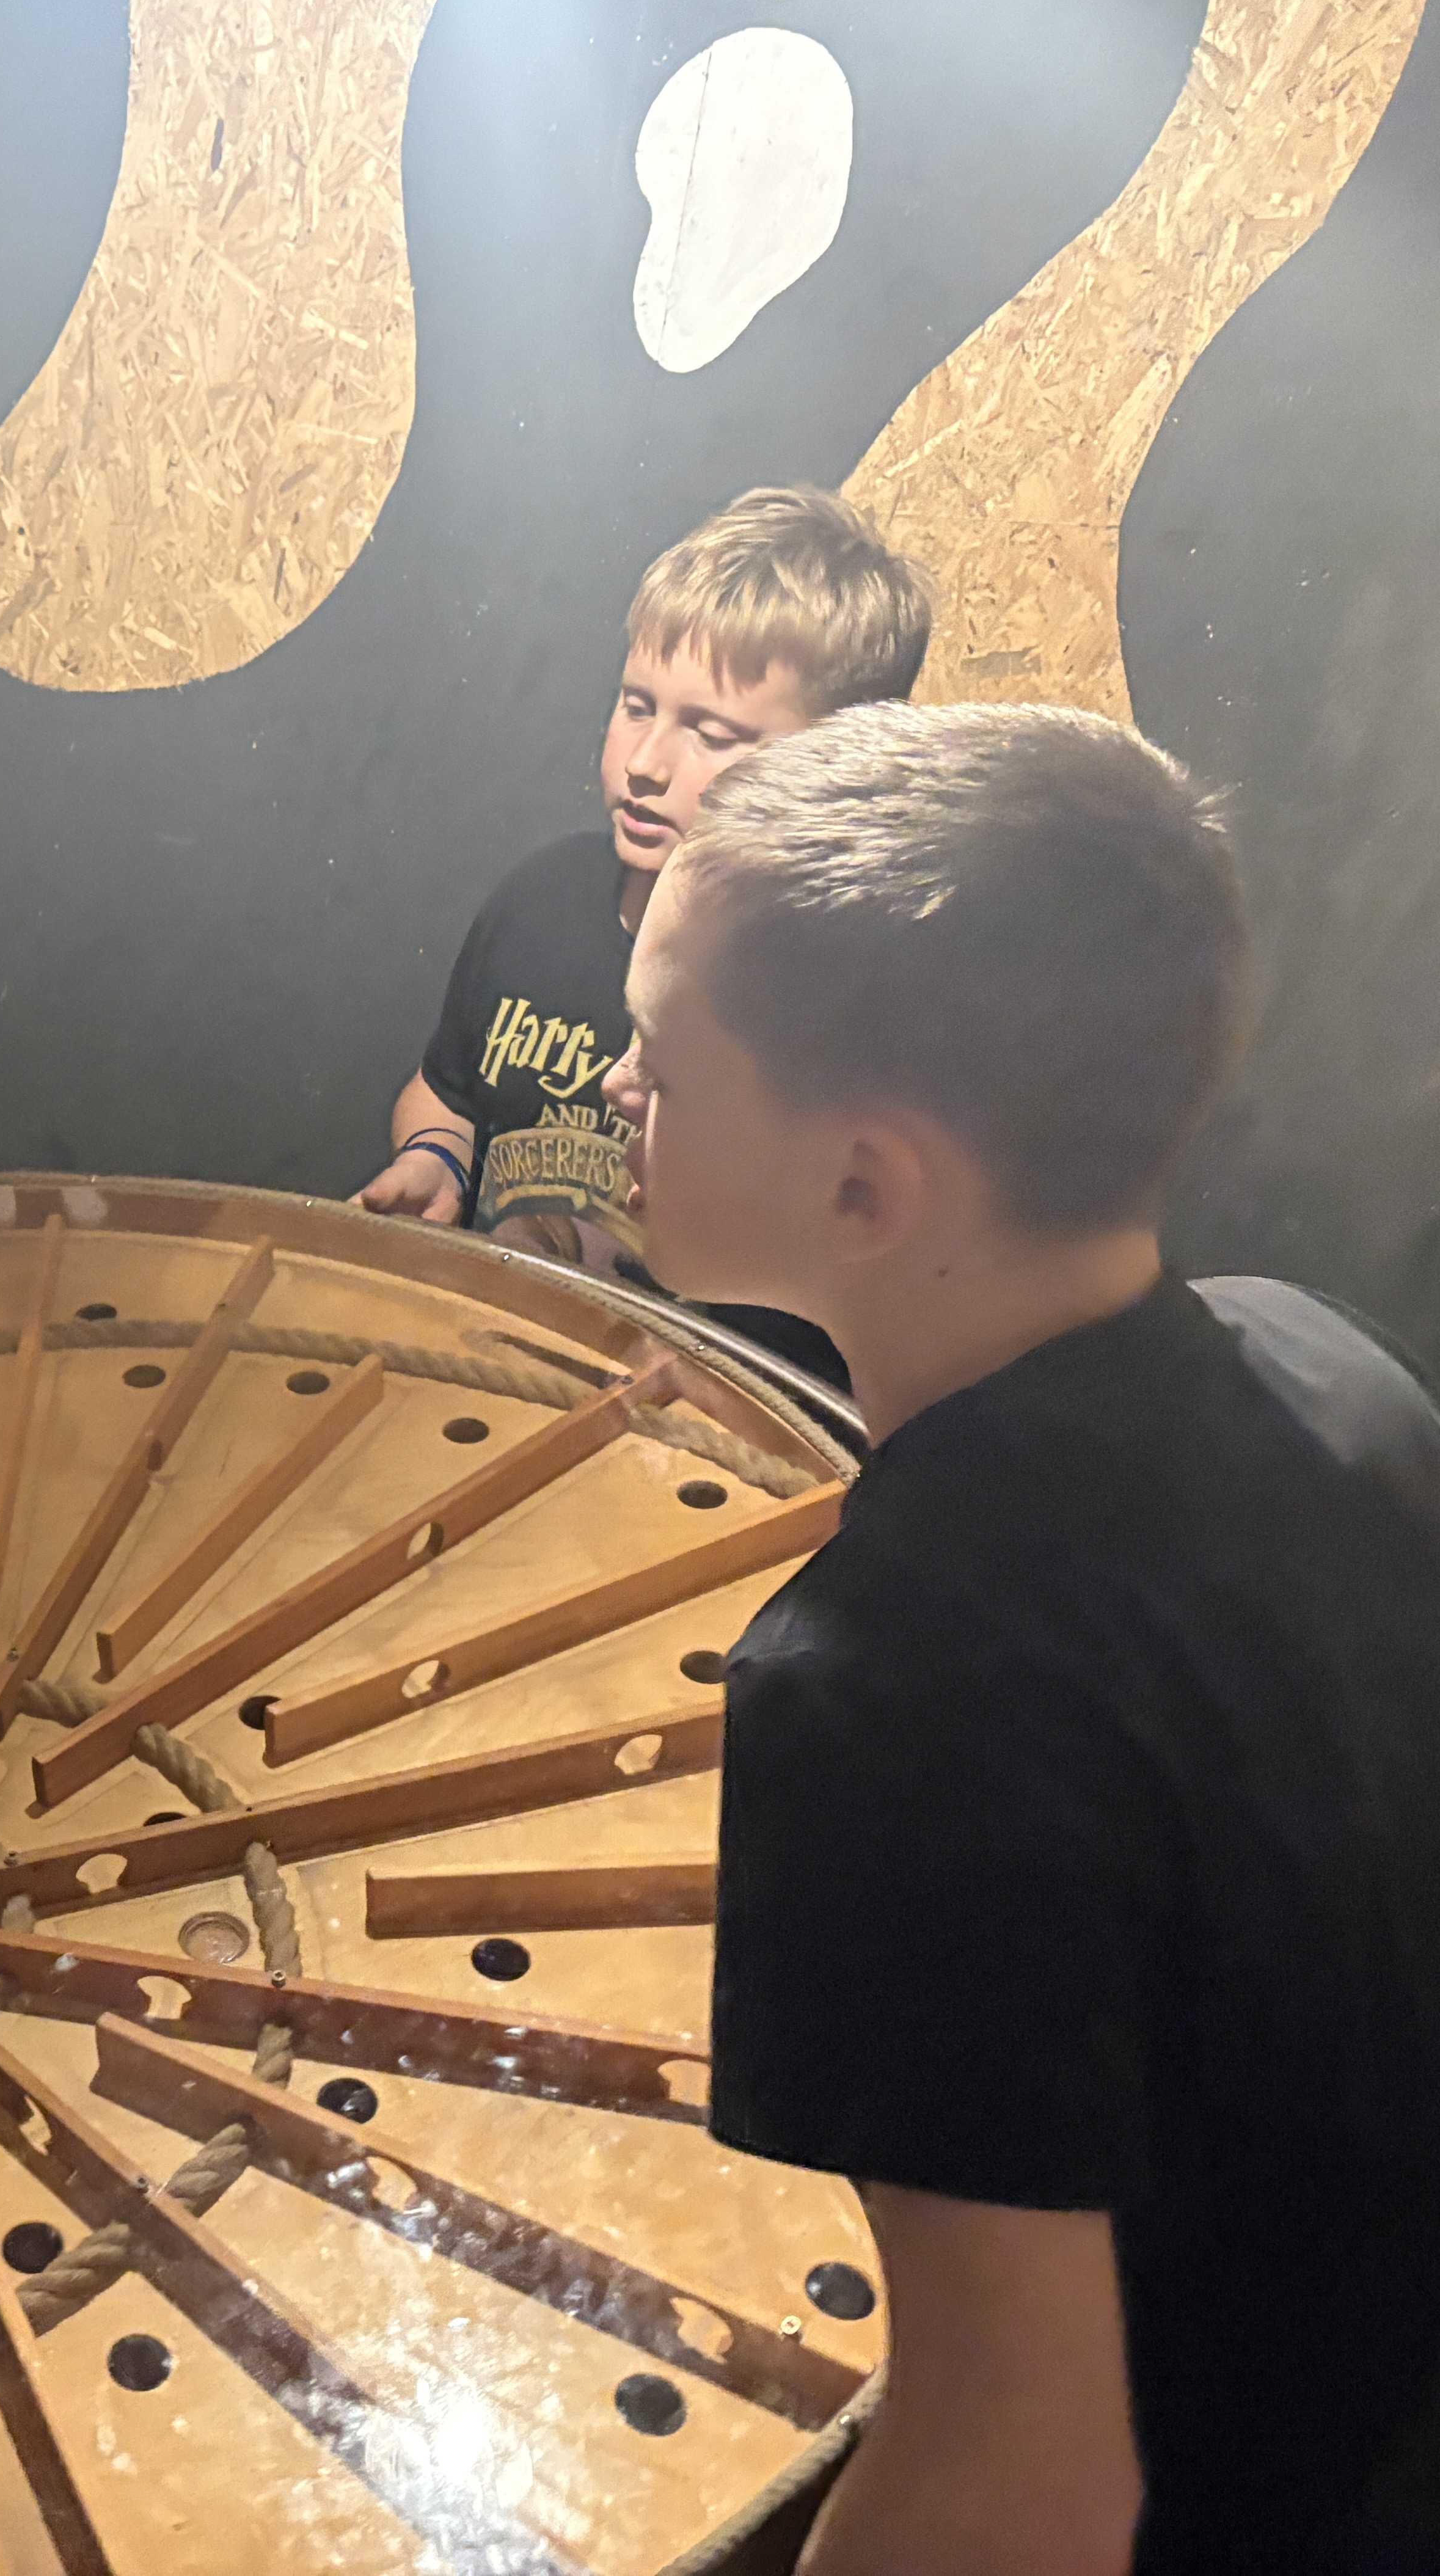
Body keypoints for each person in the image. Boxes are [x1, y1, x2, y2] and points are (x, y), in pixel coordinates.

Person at [605, 702, 1440, 2572]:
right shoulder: (1324, 1361)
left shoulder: (889, 1683)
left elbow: (1021, 2497)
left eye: (660, 1053)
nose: (612, 1083)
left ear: (863, 1187)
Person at [356, 485, 930, 1387]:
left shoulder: (855, 1008)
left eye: (712, 734)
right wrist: (437, 1157)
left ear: (835, 760)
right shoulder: (538, 901)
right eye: (635, 706)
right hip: (489, 1369)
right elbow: (446, 1091)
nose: (647, 764)